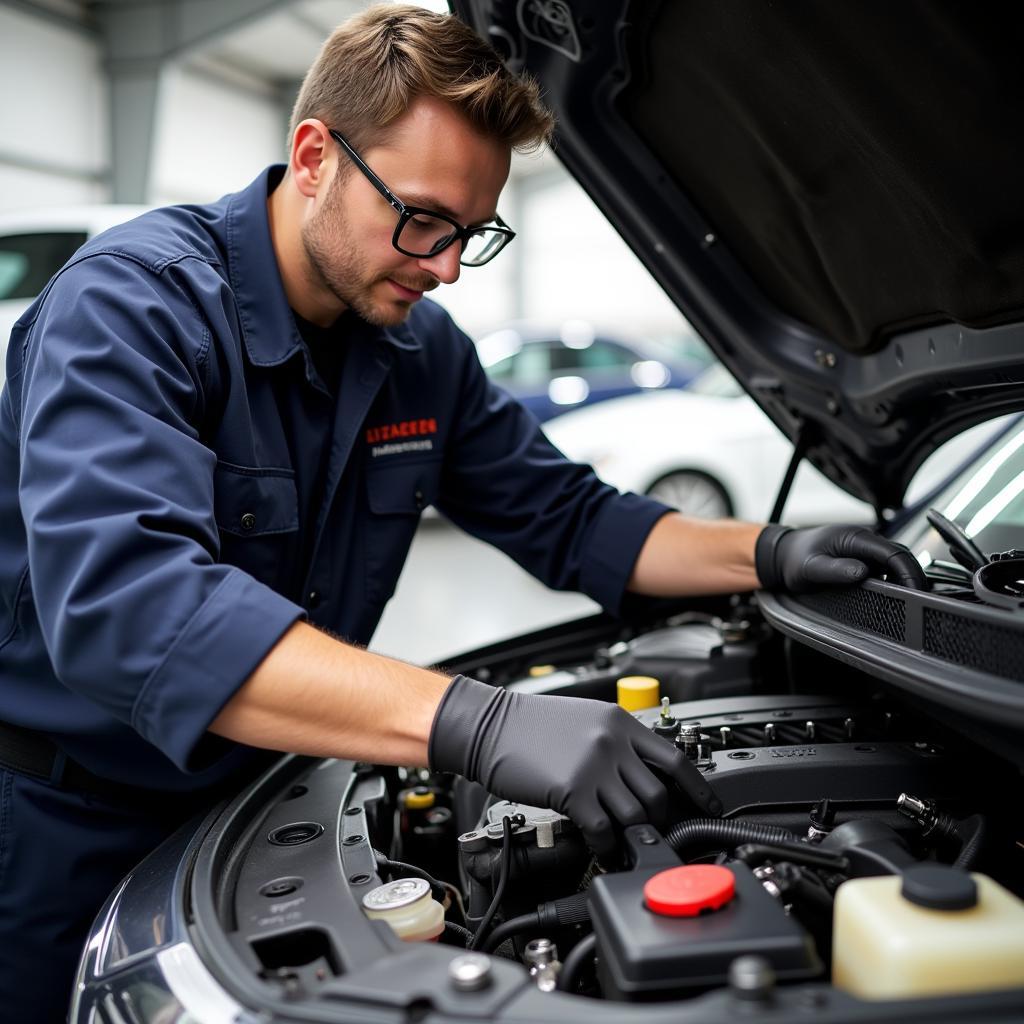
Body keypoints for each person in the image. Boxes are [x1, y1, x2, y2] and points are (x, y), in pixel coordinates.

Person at [0, 5, 925, 1020]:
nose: (444, 266)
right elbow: (136, 617)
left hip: (259, 801)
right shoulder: (132, 308)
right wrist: (478, 723)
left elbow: (574, 519)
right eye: (424, 219)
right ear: (315, 155)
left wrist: (774, 551)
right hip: (69, 826)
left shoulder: (417, 352)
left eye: (471, 235)